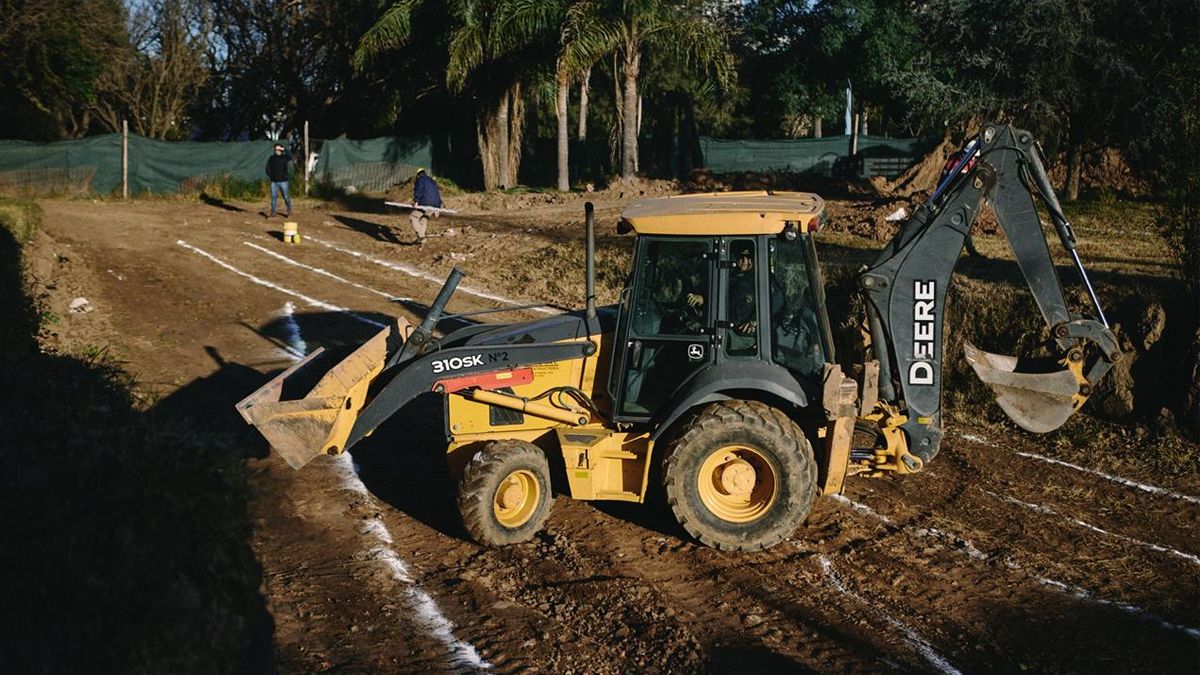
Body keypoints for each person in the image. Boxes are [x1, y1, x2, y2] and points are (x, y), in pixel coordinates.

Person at [410, 168, 442, 244]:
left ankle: (421, 237)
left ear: (418, 175)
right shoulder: (432, 181)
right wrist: (437, 208)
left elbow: (419, 190)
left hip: (424, 203)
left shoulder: (420, 179)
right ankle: (420, 239)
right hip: (434, 204)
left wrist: (416, 201)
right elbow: (437, 194)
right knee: (423, 220)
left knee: (413, 217)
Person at [265, 143, 292, 217]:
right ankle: (273, 212)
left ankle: (289, 210)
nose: (277, 151)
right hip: (274, 182)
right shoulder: (271, 158)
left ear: (281, 150)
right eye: (275, 149)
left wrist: (284, 149)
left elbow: (290, 156)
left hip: (284, 181)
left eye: (278, 149)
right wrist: (271, 176)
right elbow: (267, 169)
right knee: (273, 197)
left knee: (286, 196)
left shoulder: (285, 157)